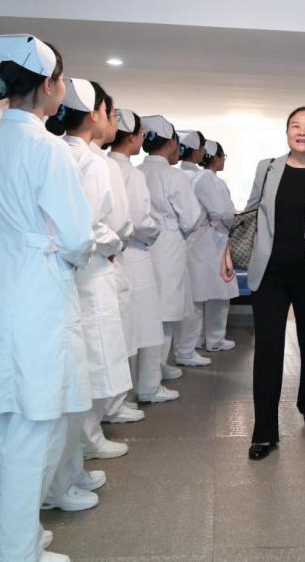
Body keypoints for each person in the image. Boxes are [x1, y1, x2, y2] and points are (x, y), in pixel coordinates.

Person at [0, 34, 92, 562]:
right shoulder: (47, 148)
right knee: (35, 428)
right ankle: (16, 553)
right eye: (62, 81)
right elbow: (77, 236)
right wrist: (51, 251)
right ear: (49, 85)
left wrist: (12, 244)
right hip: (36, 294)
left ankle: (16, 540)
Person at [225, 107, 305, 461]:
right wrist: (227, 248)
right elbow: (249, 212)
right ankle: (264, 431)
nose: (302, 131)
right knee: (267, 348)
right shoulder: (267, 168)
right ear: (287, 133)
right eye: (296, 126)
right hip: (271, 273)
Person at [43, 78, 132, 515]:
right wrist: (113, 244)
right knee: (85, 377)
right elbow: (91, 226)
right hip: (88, 269)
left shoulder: (66, 152)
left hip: (74, 272)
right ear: (94, 114)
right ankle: (62, 477)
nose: (111, 120)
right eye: (110, 112)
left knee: (82, 379)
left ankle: (72, 469)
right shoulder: (89, 162)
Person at [108, 110, 179, 403]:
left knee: (120, 328)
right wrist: (154, 234)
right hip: (135, 253)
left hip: (110, 257)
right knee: (145, 325)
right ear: (132, 137)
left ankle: (120, 395)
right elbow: (141, 221)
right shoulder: (130, 173)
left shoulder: (105, 164)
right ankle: (148, 387)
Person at [93, 83, 144, 427]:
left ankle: (96, 420)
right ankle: (103, 416)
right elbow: (123, 223)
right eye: (110, 113)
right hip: (105, 259)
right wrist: (113, 246)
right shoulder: (104, 164)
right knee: (107, 343)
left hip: (87, 260)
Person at [138, 115, 202, 384]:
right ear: (172, 143)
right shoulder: (173, 176)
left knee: (145, 310)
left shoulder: (138, 171)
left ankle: (151, 369)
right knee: (164, 311)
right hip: (168, 246)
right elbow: (191, 218)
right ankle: (152, 375)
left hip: (139, 247)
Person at [188, 140, 239, 351]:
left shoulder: (195, 177)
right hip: (214, 241)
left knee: (200, 292)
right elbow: (223, 213)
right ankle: (215, 339)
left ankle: (198, 338)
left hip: (200, 242)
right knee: (218, 293)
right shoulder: (211, 180)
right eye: (223, 156)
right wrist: (230, 224)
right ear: (216, 158)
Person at [174, 129, 213, 366]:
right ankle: (187, 350)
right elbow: (218, 211)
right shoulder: (203, 178)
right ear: (196, 150)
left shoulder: (175, 173)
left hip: (175, 244)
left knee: (177, 297)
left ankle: (180, 349)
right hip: (198, 240)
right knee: (195, 297)